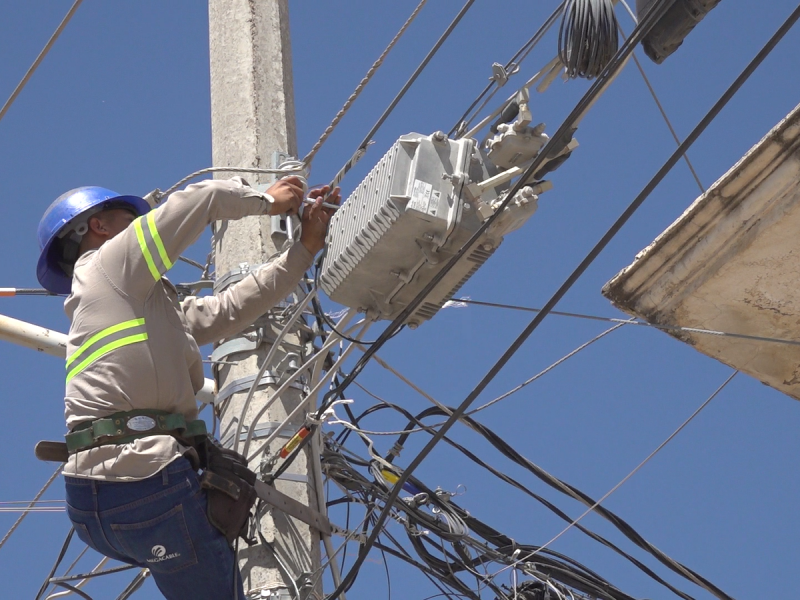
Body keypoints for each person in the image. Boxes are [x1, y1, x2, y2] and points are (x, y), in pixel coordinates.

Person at [35, 176, 339, 599]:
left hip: (97, 504)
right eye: (130, 217)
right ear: (98, 227)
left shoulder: (144, 307)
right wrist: (269, 200)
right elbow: (202, 199)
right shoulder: (109, 264)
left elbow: (231, 309)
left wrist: (304, 249)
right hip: (143, 480)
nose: (141, 223)